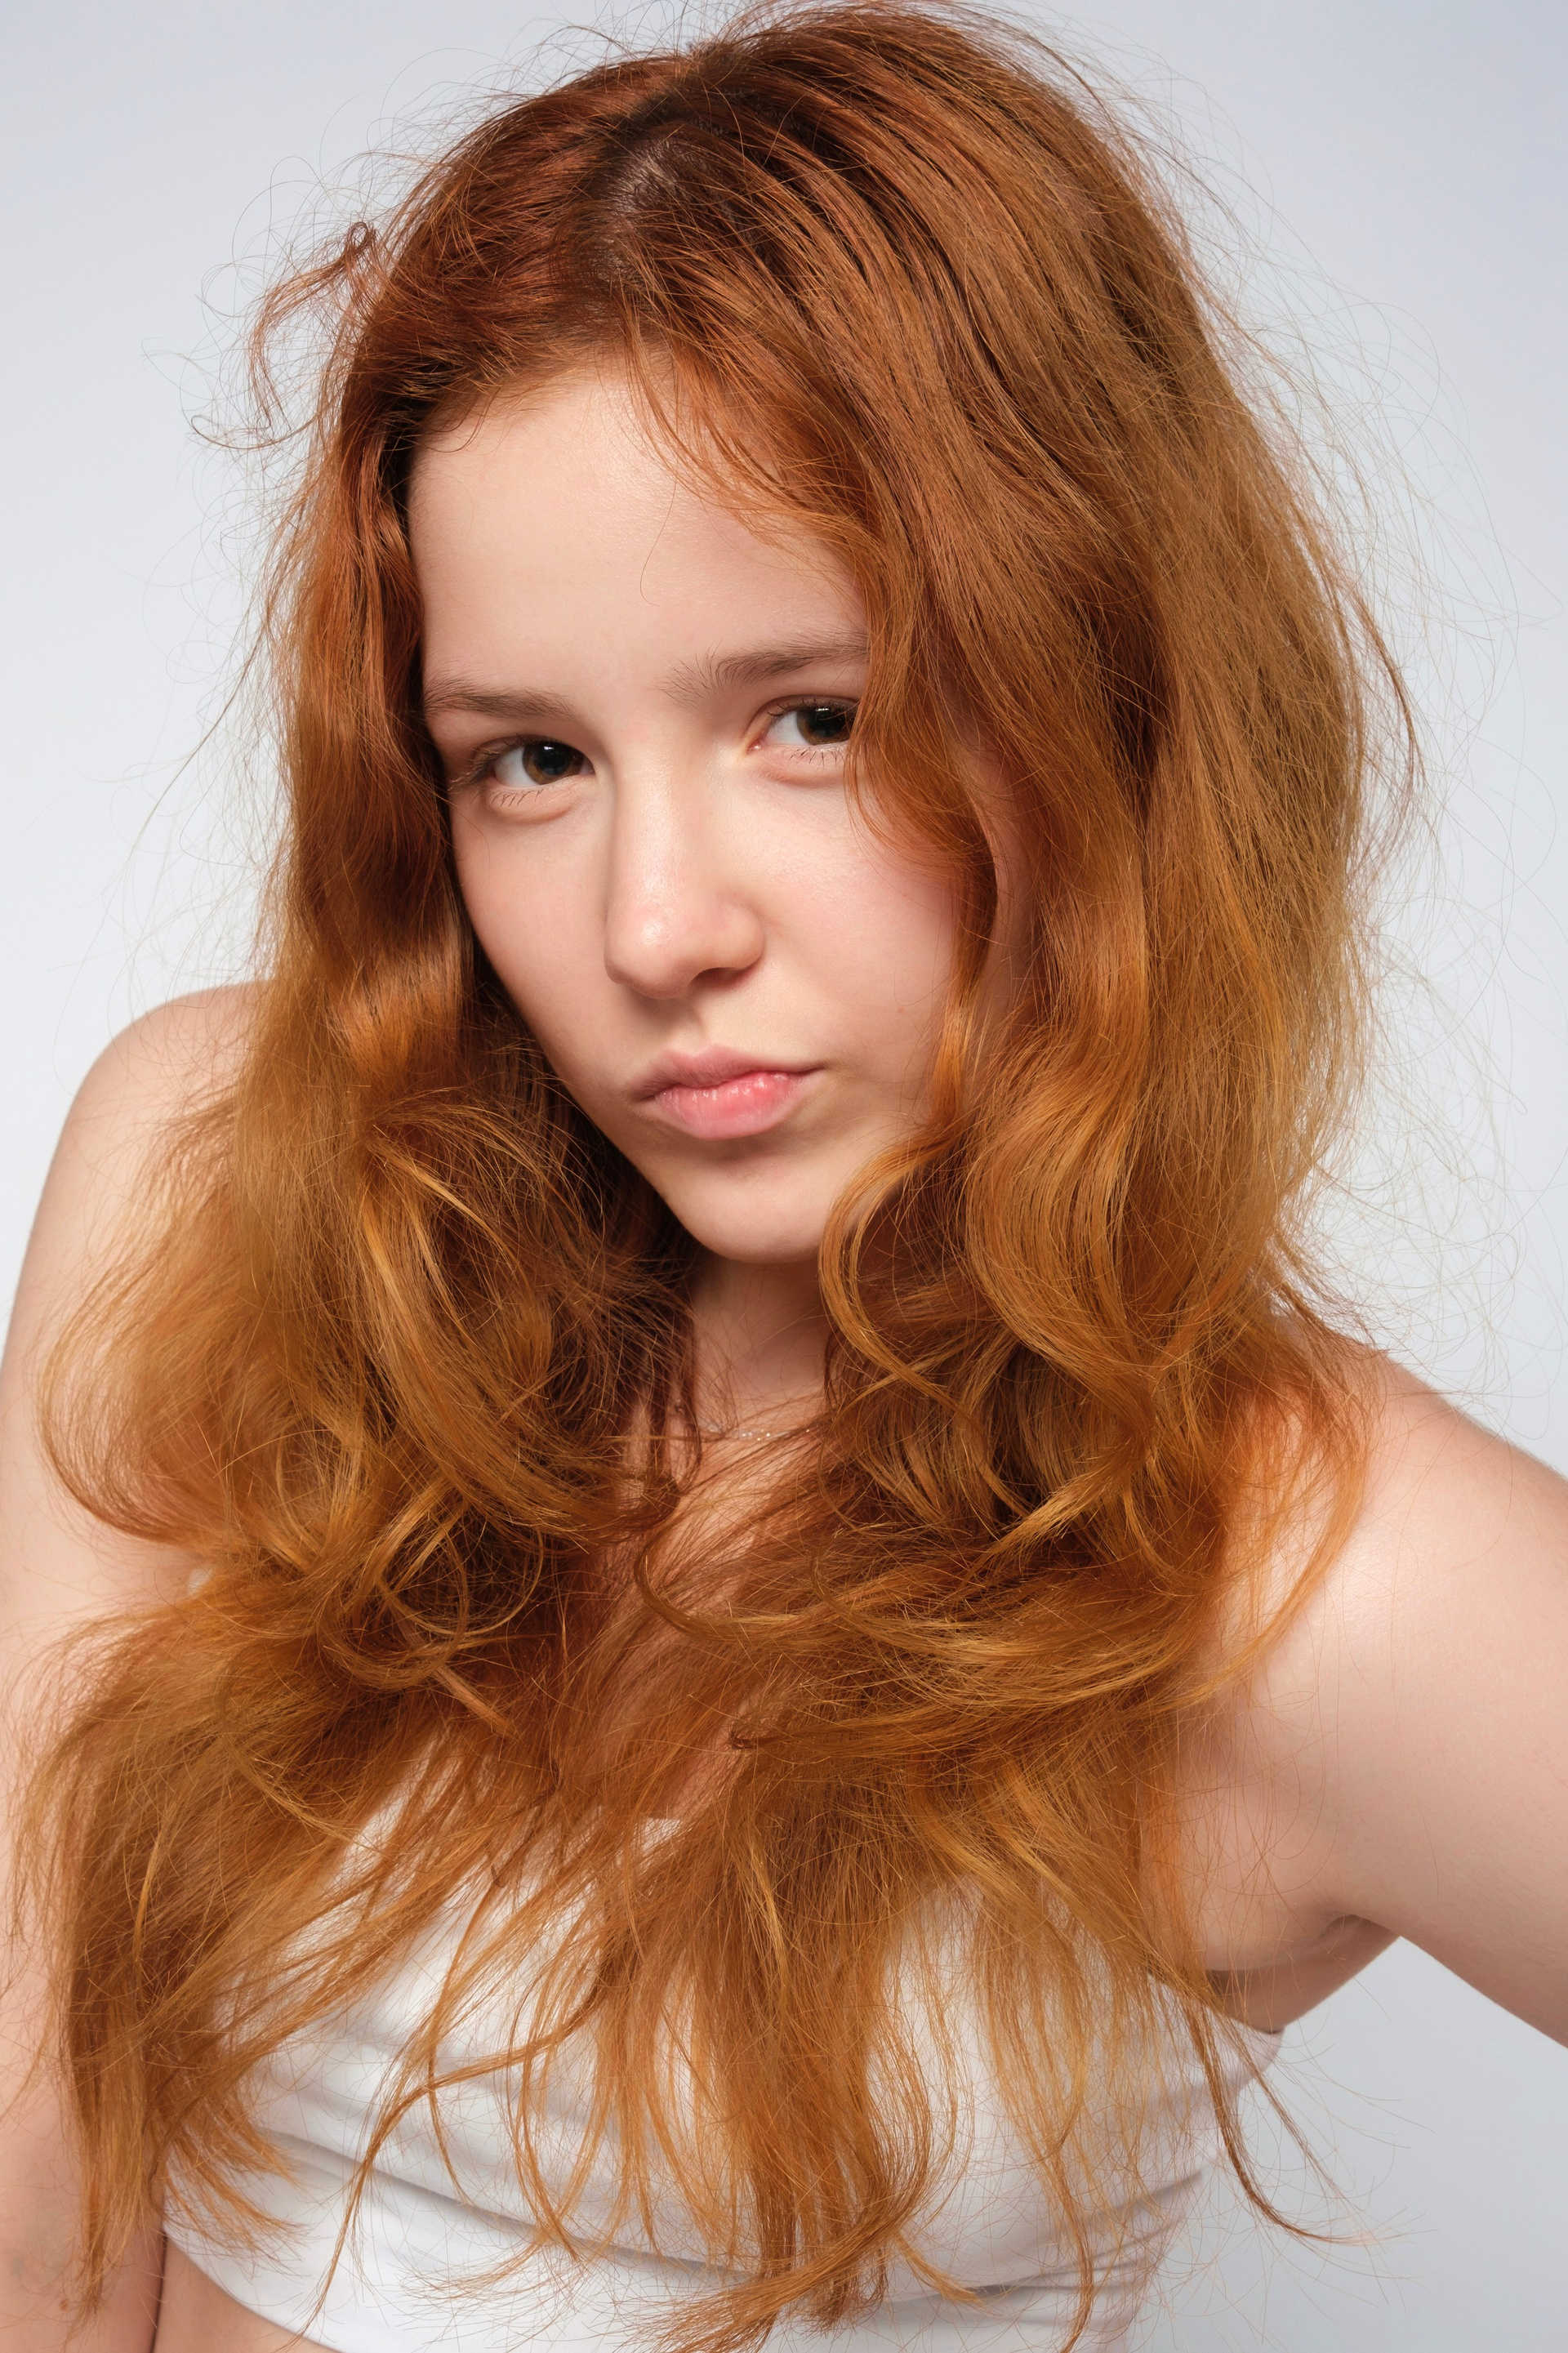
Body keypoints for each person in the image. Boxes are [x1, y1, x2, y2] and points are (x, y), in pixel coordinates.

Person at [1, 5, 1563, 2349]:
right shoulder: (215, 1182)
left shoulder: (1314, 1575)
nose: (653, 928)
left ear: (1110, 689)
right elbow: (37, 2171)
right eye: (528, 758)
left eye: (811, 720)